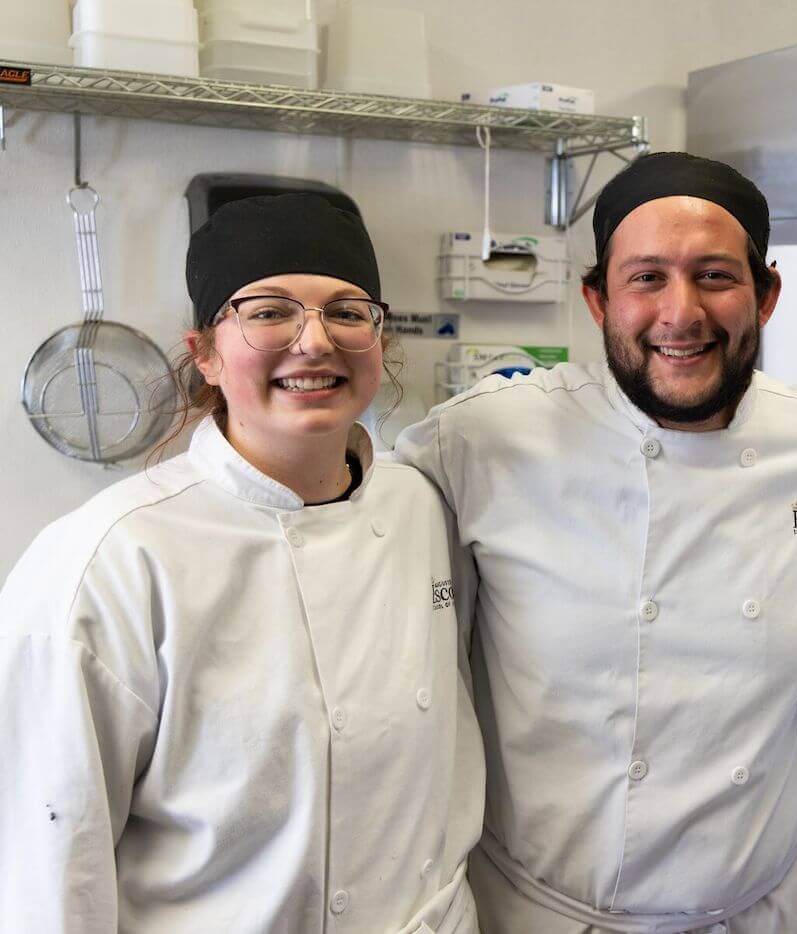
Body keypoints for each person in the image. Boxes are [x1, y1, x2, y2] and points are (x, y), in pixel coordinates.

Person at [395, 151, 797, 933]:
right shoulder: (484, 440)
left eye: (716, 277)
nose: (681, 313)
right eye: (647, 277)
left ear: (766, 296)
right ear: (597, 299)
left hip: (763, 908)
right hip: (548, 912)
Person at [0, 193, 485, 932]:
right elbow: (51, 866)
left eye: (349, 312)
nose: (316, 342)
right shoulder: (109, 560)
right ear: (205, 354)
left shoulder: (422, 509)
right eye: (268, 311)